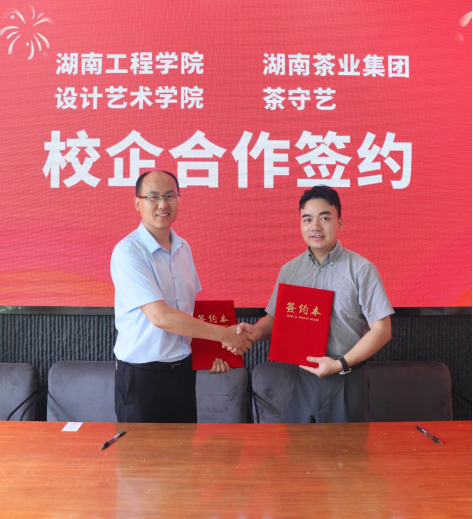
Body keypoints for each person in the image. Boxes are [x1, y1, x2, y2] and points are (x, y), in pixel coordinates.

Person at [235, 185, 394, 423]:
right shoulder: (290, 270)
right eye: (307, 219)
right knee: (297, 446)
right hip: (298, 380)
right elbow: (276, 319)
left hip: (345, 378)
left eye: (324, 218)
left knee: (346, 448)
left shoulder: (362, 270)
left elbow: (382, 330)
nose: (315, 227)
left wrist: (339, 364)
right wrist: (255, 331)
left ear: (340, 223)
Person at [111, 170, 254, 423]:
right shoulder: (128, 252)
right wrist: (223, 335)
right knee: (142, 450)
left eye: (170, 196)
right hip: (142, 379)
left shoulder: (183, 248)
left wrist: (211, 354)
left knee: (184, 448)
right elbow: (161, 317)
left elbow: (187, 311)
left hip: (183, 373)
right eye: (153, 197)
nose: (163, 204)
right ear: (137, 203)